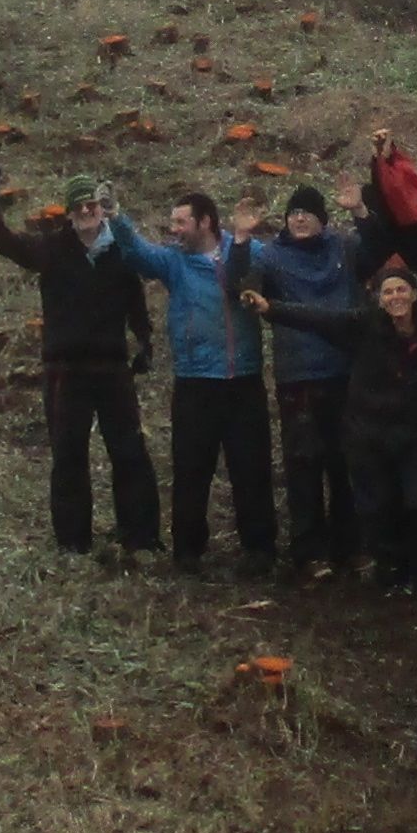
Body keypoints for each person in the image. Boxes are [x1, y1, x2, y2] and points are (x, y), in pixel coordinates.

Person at [0, 163, 159, 563]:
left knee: (129, 450)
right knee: (68, 454)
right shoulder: (52, 248)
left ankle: (141, 538)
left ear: (100, 207)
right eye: (79, 206)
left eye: (92, 204)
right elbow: (3, 240)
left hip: (112, 367)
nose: (87, 212)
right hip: (65, 368)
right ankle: (73, 544)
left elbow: (135, 301)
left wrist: (144, 341)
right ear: (69, 212)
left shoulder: (121, 251)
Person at [255, 239, 417, 592]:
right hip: (370, 435)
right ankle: (389, 570)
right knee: (377, 508)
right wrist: (270, 308)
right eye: (387, 291)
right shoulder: (363, 326)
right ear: (378, 298)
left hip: (416, 436)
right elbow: (316, 318)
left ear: (413, 294)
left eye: (401, 290)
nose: (395, 297)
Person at [102, 189, 275, 575]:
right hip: (195, 381)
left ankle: (260, 550)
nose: (174, 228)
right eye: (173, 221)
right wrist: (116, 216)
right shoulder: (174, 261)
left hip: (244, 378)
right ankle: (188, 551)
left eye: (181, 221)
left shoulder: (247, 251)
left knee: (252, 469)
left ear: (205, 222)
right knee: (191, 469)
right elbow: (136, 252)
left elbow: (276, 273)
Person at [244, 184, 362, 580]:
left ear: (322, 219)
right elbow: (246, 282)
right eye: (293, 212)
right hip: (298, 374)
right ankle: (309, 552)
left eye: (307, 212)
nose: (299, 218)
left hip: (345, 370)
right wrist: (243, 244)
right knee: (304, 463)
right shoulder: (273, 255)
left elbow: (379, 245)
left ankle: (352, 547)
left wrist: (362, 209)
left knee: (346, 462)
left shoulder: (343, 248)